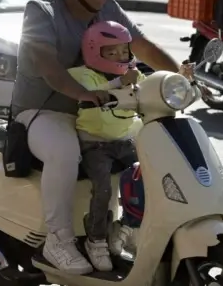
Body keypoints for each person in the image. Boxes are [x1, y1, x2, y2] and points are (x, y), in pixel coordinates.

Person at [10, 0, 189, 275]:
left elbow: (143, 47)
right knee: (64, 151)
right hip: (45, 111)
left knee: (151, 148)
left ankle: (122, 229)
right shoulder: (41, 12)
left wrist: (180, 78)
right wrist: (84, 93)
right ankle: (58, 240)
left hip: (100, 113)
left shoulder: (108, 8)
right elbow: (48, 66)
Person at [67, 20, 146, 272]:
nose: (120, 56)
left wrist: (179, 80)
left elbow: (150, 89)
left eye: (123, 51)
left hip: (124, 141)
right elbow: (90, 91)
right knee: (102, 188)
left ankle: (126, 228)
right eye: (111, 52)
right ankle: (96, 240)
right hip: (94, 144)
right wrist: (117, 85)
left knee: (151, 176)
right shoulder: (81, 74)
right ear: (93, 51)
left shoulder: (130, 73)